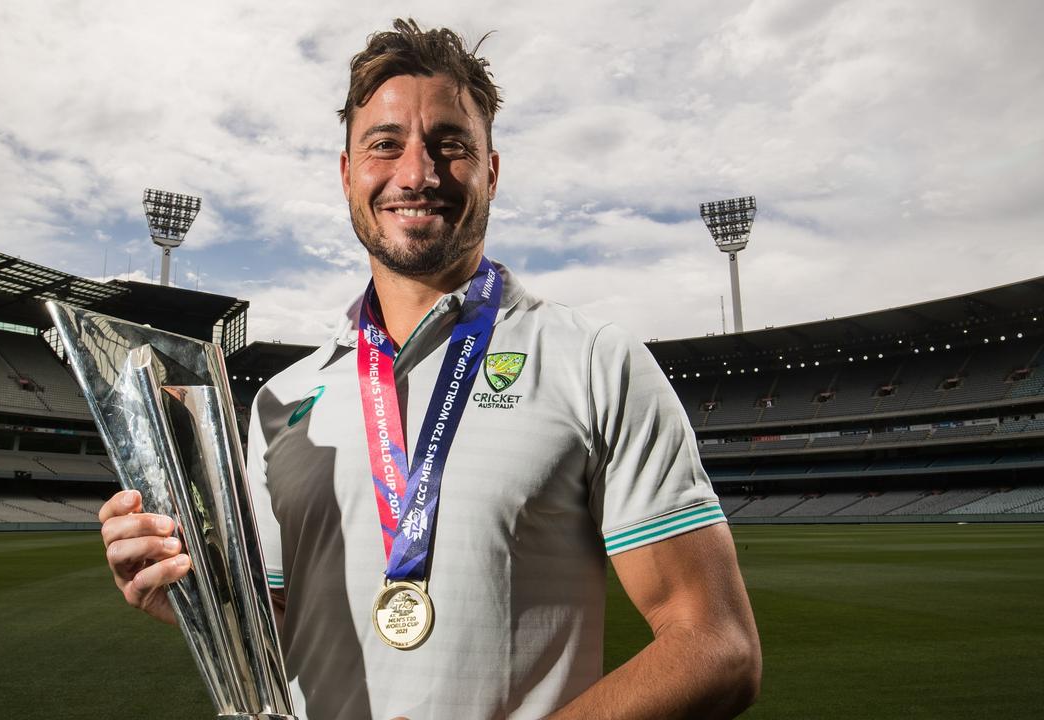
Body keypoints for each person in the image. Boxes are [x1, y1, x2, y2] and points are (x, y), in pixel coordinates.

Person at [99, 18, 761, 720]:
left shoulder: (595, 362)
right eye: (385, 145)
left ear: (492, 170)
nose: (417, 174)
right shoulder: (282, 400)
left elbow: (716, 645)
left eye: (450, 145)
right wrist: (189, 595)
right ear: (348, 172)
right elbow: (289, 631)